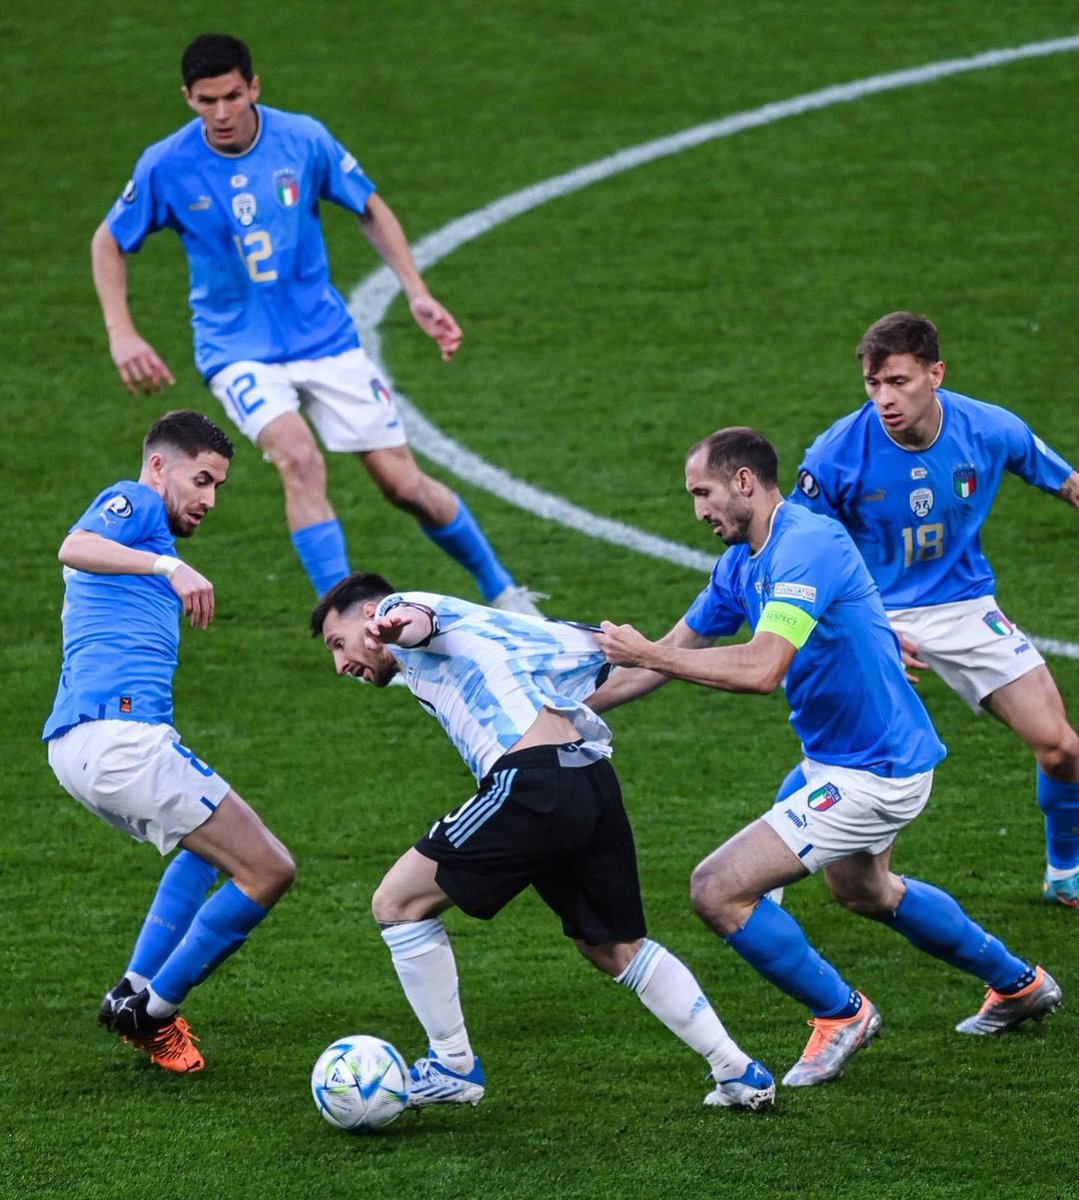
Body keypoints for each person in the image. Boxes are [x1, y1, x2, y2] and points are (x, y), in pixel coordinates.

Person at [592, 427, 1060, 1090]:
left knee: (717, 889)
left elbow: (759, 668)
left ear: (744, 482)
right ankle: (1018, 983)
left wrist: (650, 654)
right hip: (844, 758)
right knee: (865, 890)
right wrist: (562, 715)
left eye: (702, 492)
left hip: (875, 772)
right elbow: (659, 659)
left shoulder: (805, 545)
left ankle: (840, 1014)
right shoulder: (740, 563)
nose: (697, 509)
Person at [91, 32, 540, 613]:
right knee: (299, 459)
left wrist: (417, 291)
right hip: (236, 348)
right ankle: (347, 619)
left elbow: (369, 207)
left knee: (403, 485)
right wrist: (120, 331)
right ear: (188, 98)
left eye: (231, 96)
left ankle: (502, 587)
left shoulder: (303, 139)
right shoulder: (166, 165)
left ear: (254, 86)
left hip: (325, 338)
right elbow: (109, 240)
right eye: (206, 101)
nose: (221, 113)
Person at [310, 572, 775, 1112]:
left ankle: (452, 1065)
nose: (341, 664)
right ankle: (737, 1071)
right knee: (614, 946)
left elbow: (415, 620)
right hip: (588, 779)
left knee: (397, 903)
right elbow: (614, 682)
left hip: (531, 785)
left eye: (338, 644)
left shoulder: (402, 612)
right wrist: (688, 634)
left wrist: (395, 625)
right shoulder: (489, 639)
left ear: (368, 617)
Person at [789, 312, 1079, 907]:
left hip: (966, 606)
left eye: (899, 382)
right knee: (856, 775)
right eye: (873, 385)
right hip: (872, 614)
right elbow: (799, 552)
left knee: (1062, 747)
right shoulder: (837, 454)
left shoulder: (989, 429)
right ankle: (767, 865)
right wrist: (861, 630)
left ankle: (1065, 873)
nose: (884, 400)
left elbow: (1067, 483)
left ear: (936, 374)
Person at [43, 410, 295, 1072]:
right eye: (203, 479)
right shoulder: (133, 504)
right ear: (159, 466)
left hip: (84, 748)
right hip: (120, 739)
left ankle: (130, 992)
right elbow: (72, 545)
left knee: (207, 854)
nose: (209, 499)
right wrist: (166, 567)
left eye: (218, 487)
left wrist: (163, 566)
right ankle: (151, 1013)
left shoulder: (150, 538)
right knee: (269, 869)